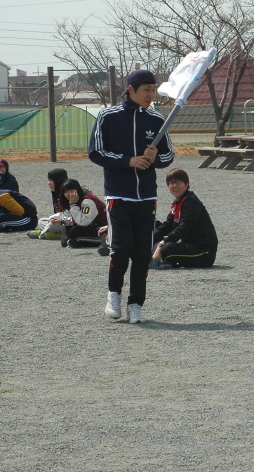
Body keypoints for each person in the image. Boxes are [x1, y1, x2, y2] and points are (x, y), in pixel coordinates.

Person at [88, 68, 175, 325]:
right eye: (146, 90)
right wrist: (129, 161)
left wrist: (154, 158)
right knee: (121, 248)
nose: (151, 95)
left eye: (153, 89)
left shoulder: (157, 119)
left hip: (146, 196)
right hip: (118, 194)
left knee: (141, 252)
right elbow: (96, 152)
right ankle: (113, 295)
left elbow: (169, 155)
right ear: (131, 90)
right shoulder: (108, 116)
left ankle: (136, 304)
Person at [151, 168, 218, 269]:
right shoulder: (176, 202)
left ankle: (166, 259)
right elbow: (167, 226)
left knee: (166, 248)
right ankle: (166, 260)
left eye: (178, 182)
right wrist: (149, 238)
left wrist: (161, 244)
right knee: (152, 239)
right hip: (188, 245)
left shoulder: (191, 202)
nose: (174, 186)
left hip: (203, 252)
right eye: (171, 183)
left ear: (187, 184)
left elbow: (183, 228)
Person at [58, 179, 107, 249]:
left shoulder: (87, 201)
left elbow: (83, 222)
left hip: (101, 226)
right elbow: (76, 219)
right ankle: (77, 242)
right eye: (66, 192)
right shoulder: (75, 200)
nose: (69, 194)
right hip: (90, 225)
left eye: (72, 190)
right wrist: (62, 221)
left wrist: (73, 205)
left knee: (75, 230)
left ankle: (98, 242)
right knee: (66, 228)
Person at [26, 168, 69, 240]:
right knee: (42, 221)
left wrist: (57, 220)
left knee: (52, 225)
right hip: (60, 222)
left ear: (58, 181)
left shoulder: (67, 194)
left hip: (69, 223)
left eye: (51, 180)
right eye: (48, 180)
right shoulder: (56, 194)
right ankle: (52, 233)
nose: (48, 183)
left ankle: (42, 234)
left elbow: (69, 215)